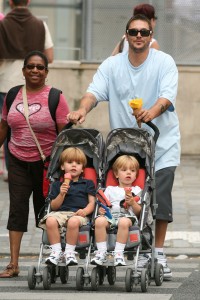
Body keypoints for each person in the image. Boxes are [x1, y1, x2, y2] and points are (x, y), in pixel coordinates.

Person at [67, 14, 180, 279]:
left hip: (162, 144)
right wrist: (82, 109)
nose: (139, 36)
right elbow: (93, 92)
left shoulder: (164, 62)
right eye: (133, 32)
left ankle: (159, 253)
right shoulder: (112, 65)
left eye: (144, 32)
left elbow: (166, 96)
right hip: (126, 150)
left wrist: (151, 112)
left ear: (151, 35)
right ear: (126, 35)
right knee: (123, 202)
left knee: (159, 201)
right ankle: (133, 250)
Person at [0, 50, 70, 278]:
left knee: (46, 212)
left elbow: (65, 136)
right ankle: (13, 264)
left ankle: (52, 259)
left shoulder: (55, 97)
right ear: (23, 71)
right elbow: (4, 127)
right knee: (17, 210)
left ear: (46, 72)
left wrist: (63, 167)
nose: (35, 70)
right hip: (17, 160)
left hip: (46, 166)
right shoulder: (12, 95)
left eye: (40, 67)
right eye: (30, 66)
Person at [0, 0, 54, 177]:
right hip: (35, 86)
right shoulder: (40, 24)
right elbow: (50, 56)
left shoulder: (2, 25)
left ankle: (12, 171)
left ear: (10, 2)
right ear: (29, 1)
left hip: (6, 84)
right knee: (34, 127)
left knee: (8, 129)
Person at [39, 147, 96, 266]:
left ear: (82, 169)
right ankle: (56, 251)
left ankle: (69, 252)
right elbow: (54, 206)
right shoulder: (56, 185)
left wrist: (85, 211)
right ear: (62, 167)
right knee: (50, 220)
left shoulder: (87, 184)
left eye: (78, 163)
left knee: (73, 222)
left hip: (78, 214)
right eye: (70, 162)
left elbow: (92, 202)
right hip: (60, 212)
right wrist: (61, 193)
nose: (74, 165)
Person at [91, 155, 141, 267]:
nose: (128, 173)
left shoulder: (137, 190)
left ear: (136, 174)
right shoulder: (110, 189)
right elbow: (103, 205)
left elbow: (139, 212)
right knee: (99, 221)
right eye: (124, 170)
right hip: (111, 216)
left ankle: (118, 253)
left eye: (132, 171)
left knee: (123, 221)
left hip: (128, 216)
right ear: (116, 174)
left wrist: (133, 202)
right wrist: (101, 211)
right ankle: (101, 252)